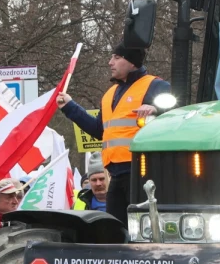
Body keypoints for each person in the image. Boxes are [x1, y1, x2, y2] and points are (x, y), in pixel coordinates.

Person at [56, 45, 171, 220]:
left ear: (132, 62)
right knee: (116, 232)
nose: (110, 63)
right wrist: (70, 108)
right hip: (115, 175)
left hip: (143, 173)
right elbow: (99, 131)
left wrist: (156, 109)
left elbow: (176, 116)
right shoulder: (109, 94)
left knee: (143, 229)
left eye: (117, 57)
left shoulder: (156, 85)